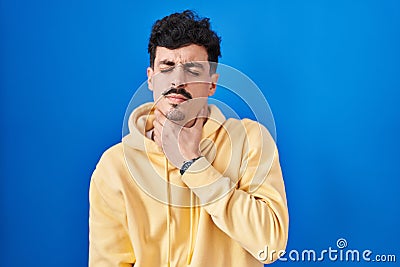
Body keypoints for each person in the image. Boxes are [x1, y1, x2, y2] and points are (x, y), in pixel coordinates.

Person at [89, 10, 289, 267]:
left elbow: (270, 245)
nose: (177, 81)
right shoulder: (114, 166)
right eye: (167, 67)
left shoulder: (251, 140)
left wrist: (193, 164)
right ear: (150, 78)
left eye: (192, 70)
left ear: (212, 84)